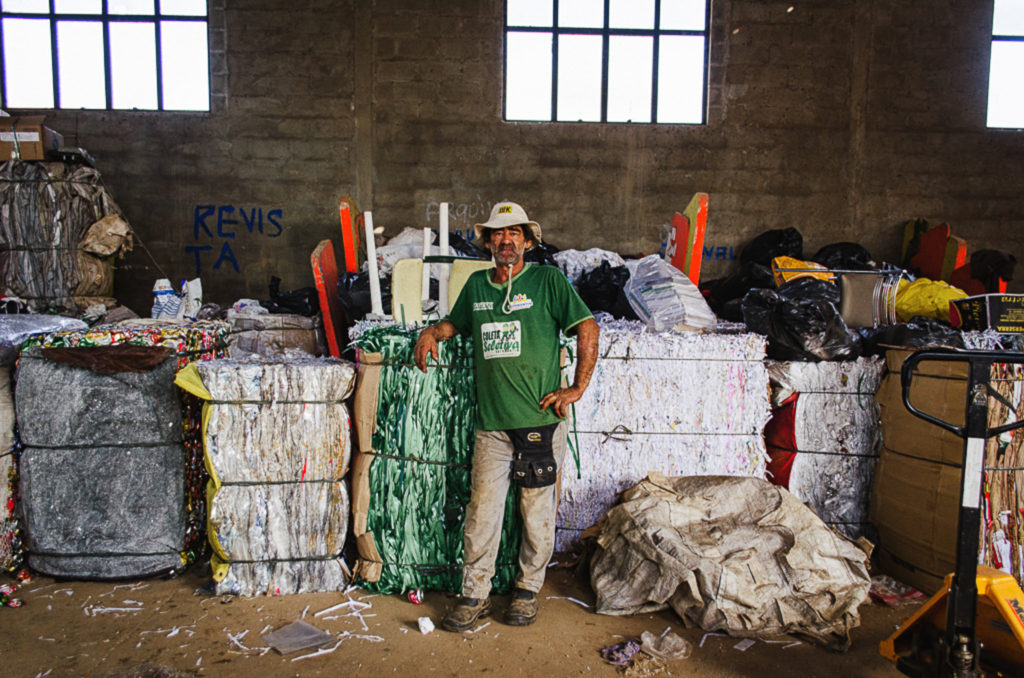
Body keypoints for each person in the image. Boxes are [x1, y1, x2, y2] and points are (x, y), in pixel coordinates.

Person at [414, 201, 599, 631]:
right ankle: (474, 594)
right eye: (497, 234)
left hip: (539, 425)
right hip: (492, 428)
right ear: (487, 243)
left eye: (514, 233)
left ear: (528, 242)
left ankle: (527, 590)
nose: (505, 240)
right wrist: (430, 332)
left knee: (536, 514)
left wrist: (576, 388)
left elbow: (586, 327)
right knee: (482, 512)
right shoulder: (478, 286)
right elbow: (453, 325)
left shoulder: (548, 281)